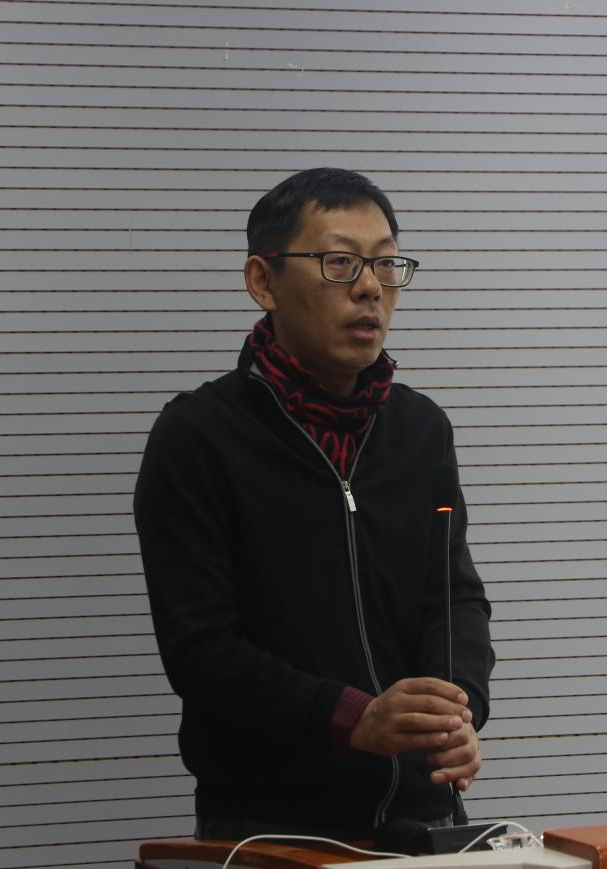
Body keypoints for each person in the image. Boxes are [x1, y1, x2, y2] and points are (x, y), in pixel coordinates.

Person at [133, 167, 495, 842]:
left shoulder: (421, 430)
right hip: (269, 828)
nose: (370, 287)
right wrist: (352, 717)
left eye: (386, 264)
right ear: (263, 281)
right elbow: (200, 649)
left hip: (425, 819)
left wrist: (457, 708)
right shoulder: (198, 437)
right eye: (339, 263)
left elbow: (455, 599)